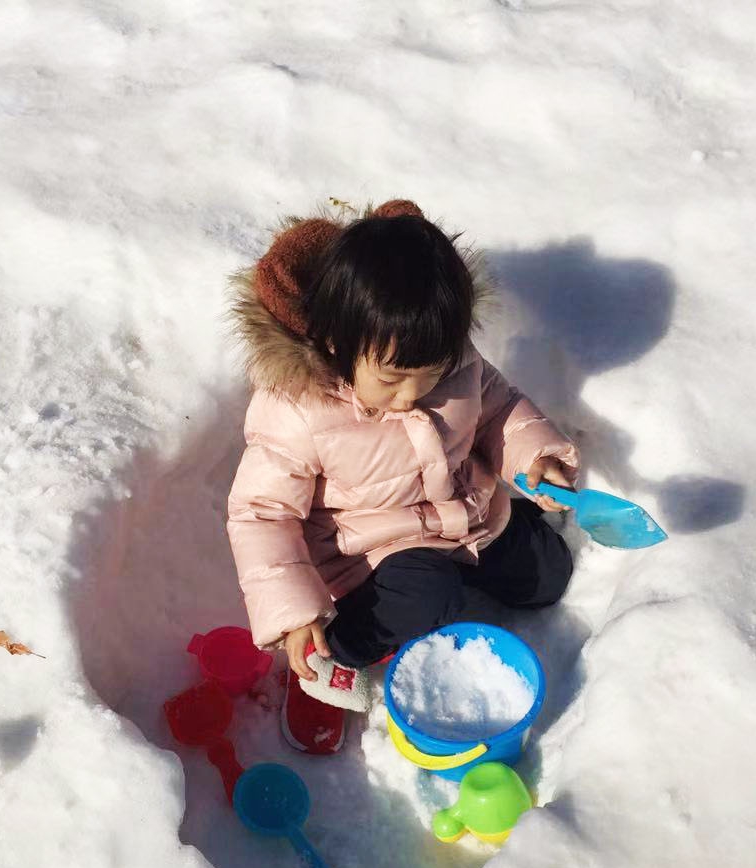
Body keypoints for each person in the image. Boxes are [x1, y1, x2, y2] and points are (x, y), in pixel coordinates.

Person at [226, 199, 579, 754]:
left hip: (469, 517)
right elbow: (262, 514)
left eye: (430, 374)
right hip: (372, 556)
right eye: (392, 378)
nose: (413, 394)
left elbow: (497, 409)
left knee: (547, 577)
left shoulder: (448, 355)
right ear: (339, 345)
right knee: (430, 594)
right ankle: (328, 656)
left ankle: (500, 541)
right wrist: (297, 615)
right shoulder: (298, 409)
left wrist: (533, 457)